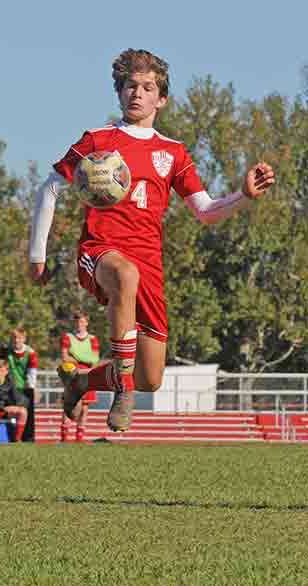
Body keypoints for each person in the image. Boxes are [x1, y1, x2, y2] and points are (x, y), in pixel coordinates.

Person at [29, 48, 275, 432]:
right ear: (119, 92)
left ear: (161, 99)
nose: (137, 93)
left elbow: (206, 211)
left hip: (150, 266)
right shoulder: (98, 140)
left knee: (151, 377)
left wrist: (243, 195)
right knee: (125, 277)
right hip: (100, 251)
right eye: (130, 85)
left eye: (147, 87)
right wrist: (36, 256)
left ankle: (81, 382)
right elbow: (49, 190)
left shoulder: (173, 152)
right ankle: (121, 389)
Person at [60, 312, 102, 442]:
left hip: (88, 374)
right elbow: (65, 356)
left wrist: (75, 356)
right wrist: (85, 359)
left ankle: (79, 437)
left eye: (82, 322)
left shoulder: (93, 339)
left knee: (84, 407)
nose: (80, 324)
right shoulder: (68, 337)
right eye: (78, 322)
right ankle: (64, 437)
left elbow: (95, 360)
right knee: (70, 404)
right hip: (73, 375)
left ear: (87, 323)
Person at [3, 326, 38, 441]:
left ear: (24, 339)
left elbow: (32, 372)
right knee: (9, 412)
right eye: (14, 338)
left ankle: (28, 438)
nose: (16, 340)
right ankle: (10, 436)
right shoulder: (5, 351)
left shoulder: (30, 353)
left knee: (28, 415)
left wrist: (31, 388)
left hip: (25, 388)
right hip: (9, 388)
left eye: (19, 338)